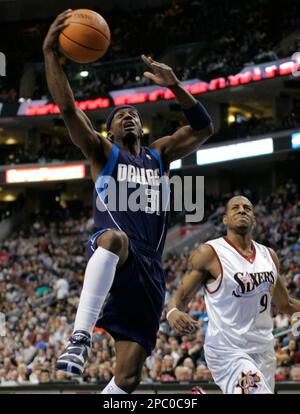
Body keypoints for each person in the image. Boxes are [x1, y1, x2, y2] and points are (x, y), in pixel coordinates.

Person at [42, 10, 213, 394]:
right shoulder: (103, 154)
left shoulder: (159, 154)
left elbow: (204, 128)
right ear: (110, 129)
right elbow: (69, 110)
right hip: (119, 253)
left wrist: (175, 85)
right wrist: (51, 54)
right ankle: (80, 338)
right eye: (121, 116)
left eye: (134, 114)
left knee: (128, 378)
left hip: (151, 271)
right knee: (114, 239)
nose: (129, 118)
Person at [167, 195, 300, 394]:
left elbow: (285, 304)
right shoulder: (209, 253)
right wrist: (173, 312)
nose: (241, 210)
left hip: (263, 349)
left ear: (254, 219)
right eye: (235, 208)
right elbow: (182, 297)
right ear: (225, 219)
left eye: (247, 207)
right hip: (227, 351)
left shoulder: (269, 256)